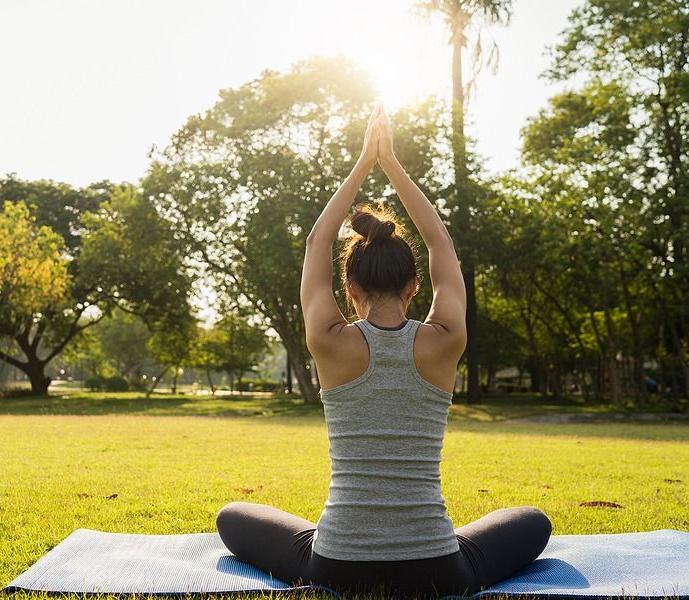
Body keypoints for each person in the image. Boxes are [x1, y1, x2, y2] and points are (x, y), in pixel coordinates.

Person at [215, 104, 552, 598]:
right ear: (415, 286)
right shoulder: (444, 341)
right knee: (532, 521)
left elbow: (317, 243)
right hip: (438, 570)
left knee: (232, 517)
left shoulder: (331, 342)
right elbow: (442, 246)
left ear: (349, 288)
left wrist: (363, 162)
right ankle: (430, 540)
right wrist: (393, 163)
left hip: (335, 566)